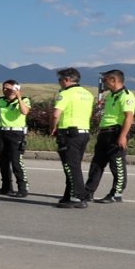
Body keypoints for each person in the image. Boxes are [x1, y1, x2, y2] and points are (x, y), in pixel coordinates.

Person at [85, 69, 135, 203]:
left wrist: (122, 136)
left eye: (106, 80)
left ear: (113, 80)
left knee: (117, 165)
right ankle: (88, 192)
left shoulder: (126, 95)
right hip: (104, 132)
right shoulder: (111, 96)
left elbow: (129, 117)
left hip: (116, 132)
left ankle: (116, 193)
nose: (104, 83)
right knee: (97, 164)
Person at [50, 67, 95, 208]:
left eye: (60, 80)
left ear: (67, 80)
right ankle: (68, 195)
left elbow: (56, 114)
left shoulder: (66, 93)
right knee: (74, 165)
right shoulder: (88, 93)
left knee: (71, 166)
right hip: (83, 132)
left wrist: (52, 128)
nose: (59, 83)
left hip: (69, 133)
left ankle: (78, 197)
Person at [0, 79, 31, 197]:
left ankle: (22, 187)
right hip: (1, 132)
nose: (6, 91)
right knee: (3, 162)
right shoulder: (0, 101)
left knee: (16, 161)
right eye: (4, 88)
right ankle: (6, 187)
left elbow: (24, 112)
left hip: (16, 134)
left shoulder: (25, 100)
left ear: (16, 89)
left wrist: (19, 98)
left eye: (9, 88)